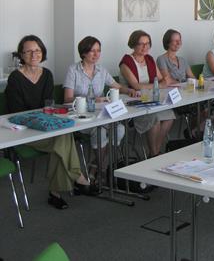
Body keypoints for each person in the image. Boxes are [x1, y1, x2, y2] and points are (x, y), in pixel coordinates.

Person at [5, 35, 96, 210]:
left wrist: (46, 114)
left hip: (45, 125)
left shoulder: (46, 74)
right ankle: (77, 178)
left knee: (61, 139)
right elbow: (17, 111)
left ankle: (56, 193)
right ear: (21, 55)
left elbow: (48, 105)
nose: (34, 54)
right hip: (25, 129)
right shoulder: (15, 78)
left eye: (37, 50)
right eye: (29, 51)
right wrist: (43, 114)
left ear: (42, 53)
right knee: (62, 139)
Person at [64, 36, 137, 175]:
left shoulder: (101, 70)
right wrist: (91, 99)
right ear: (84, 52)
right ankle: (99, 168)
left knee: (120, 129)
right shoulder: (73, 70)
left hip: (101, 114)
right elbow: (67, 99)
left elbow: (116, 86)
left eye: (98, 51)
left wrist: (130, 90)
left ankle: (98, 166)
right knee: (101, 132)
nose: (96, 54)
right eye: (92, 51)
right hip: (82, 116)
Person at [119, 30, 175, 157]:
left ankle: (154, 151)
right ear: (133, 44)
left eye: (147, 43)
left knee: (169, 116)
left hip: (151, 100)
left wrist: (162, 82)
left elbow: (161, 78)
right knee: (154, 119)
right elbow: (136, 86)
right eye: (141, 44)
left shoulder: (149, 59)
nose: (145, 47)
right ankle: (155, 154)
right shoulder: (125, 62)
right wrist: (158, 85)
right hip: (133, 104)